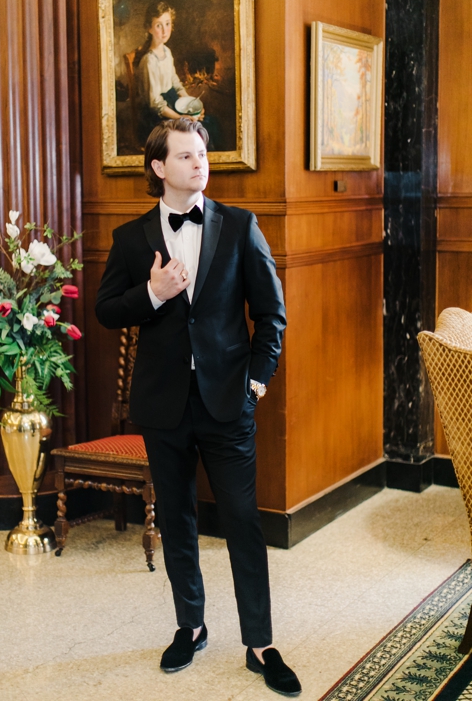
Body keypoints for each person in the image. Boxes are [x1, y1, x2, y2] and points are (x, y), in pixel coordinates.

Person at [94, 119, 299, 696]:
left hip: (228, 402)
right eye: (186, 156)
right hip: (163, 407)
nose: (199, 163)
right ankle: (191, 626)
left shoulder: (240, 227)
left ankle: (261, 643)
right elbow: (107, 311)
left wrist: (257, 383)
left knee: (241, 521)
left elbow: (271, 315)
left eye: (202, 154)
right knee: (177, 521)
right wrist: (153, 294)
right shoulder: (132, 239)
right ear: (159, 168)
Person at [132, 2, 222, 152]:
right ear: (149, 28)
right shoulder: (149, 61)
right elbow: (156, 104)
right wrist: (181, 118)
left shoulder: (167, 52)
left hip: (172, 103)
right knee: (197, 131)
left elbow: (176, 83)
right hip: (156, 117)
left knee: (212, 123)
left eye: (167, 24)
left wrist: (191, 106)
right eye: (158, 25)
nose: (164, 30)